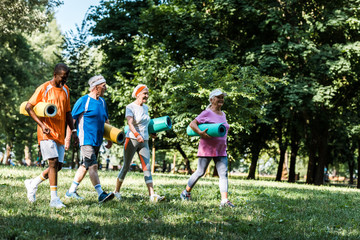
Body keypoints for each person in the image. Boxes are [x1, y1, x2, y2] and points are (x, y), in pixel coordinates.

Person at [24, 63, 78, 208]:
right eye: (62, 78)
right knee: (53, 162)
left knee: (58, 166)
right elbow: (28, 107)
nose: (64, 81)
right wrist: (42, 125)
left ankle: (32, 183)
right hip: (46, 132)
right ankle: (54, 199)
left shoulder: (66, 90)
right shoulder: (44, 88)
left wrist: (73, 132)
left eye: (66, 78)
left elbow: (67, 113)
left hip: (59, 133)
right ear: (55, 75)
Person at [180, 89, 235, 208]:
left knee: (223, 174)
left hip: (221, 149)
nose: (221, 99)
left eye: (222, 98)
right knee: (200, 172)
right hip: (207, 148)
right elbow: (192, 124)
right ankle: (186, 192)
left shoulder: (223, 114)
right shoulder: (207, 113)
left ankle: (224, 201)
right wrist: (200, 132)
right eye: (218, 97)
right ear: (211, 99)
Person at [64, 75, 114, 203]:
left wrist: (110, 138)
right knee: (93, 165)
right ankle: (101, 194)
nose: (106, 88)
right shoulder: (83, 101)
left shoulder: (102, 102)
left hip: (97, 140)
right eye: (104, 86)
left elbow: (106, 120)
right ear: (96, 87)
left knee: (84, 166)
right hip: (86, 140)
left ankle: (71, 191)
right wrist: (68, 138)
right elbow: (71, 120)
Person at [114, 84, 164, 202]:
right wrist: (137, 135)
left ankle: (152, 195)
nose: (146, 96)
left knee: (147, 167)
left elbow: (146, 123)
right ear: (137, 94)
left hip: (144, 141)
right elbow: (130, 124)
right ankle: (116, 192)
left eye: (147, 94)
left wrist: (152, 132)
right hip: (131, 140)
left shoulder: (146, 107)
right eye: (144, 93)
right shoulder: (130, 107)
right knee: (126, 166)